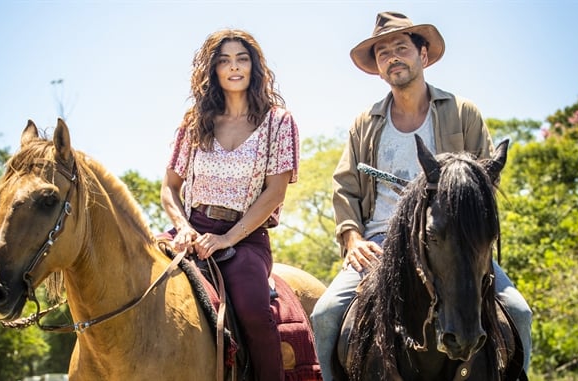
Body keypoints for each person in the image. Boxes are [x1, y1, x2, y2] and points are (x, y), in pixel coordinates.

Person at [309, 11, 533, 380]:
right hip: (380, 243)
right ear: (378, 68)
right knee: (326, 314)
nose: (393, 57)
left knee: (520, 313)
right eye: (383, 53)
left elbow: (483, 187)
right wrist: (351, 239)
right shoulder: (366, 123)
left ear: (423, 56)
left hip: (455, 244)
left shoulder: (462, 113)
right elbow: (345, 185)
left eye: (401, 48)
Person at [160, 29, 299, 381]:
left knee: (253, 307)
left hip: (246, 236)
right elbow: (170, 188)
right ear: (213, 70)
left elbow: (274, 194)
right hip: (191, 228)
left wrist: (227, 239)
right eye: (224, 61)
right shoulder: (194, 123)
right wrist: (185, 227)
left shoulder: (278, 122)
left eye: (241, 59)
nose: (233, 67)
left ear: (254, 67)